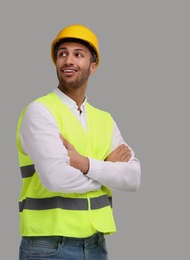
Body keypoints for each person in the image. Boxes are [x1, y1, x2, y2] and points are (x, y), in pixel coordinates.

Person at [16, 24, 141, 260]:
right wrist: (107, 170)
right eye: (62, 54)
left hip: (96, 244)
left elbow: (133, 178)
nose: (68, 60)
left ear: (93, 66)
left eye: (78, 54)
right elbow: (55, 178)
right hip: (48, 246)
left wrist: (84, 163)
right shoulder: (40, 111)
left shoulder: (104, 119)